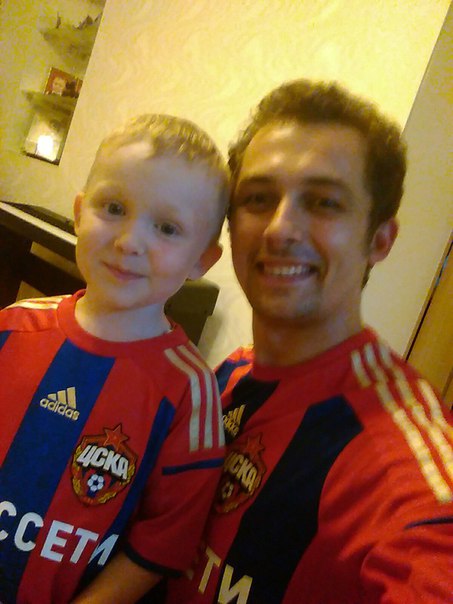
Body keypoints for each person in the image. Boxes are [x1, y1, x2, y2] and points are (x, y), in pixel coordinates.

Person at [163, 80, 453, 603]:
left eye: (323, 202)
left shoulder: (405, 463)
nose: (280, 228)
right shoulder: (227, 378)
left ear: (379, 240)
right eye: (258, 198)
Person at [0, 113, 229, 603]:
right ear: (79, 212)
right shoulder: (11, 327)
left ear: (202, 260)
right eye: (114, 208)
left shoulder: (190, 394)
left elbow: (162, 544)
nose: (129, 242)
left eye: (167, 228)